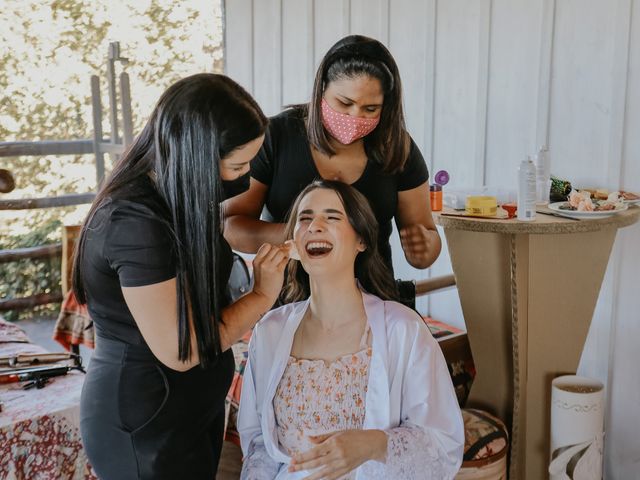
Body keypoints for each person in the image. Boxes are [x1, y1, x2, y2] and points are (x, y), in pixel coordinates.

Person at [72, 73, 290, 480]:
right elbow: (183, 349)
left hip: (189, 411)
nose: (243, 178)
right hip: (144, 422)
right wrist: (260, 296)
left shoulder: (178, 198)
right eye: (238, 165)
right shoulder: (134, 222)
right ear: (197, 155)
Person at [238, 180, 464, 479]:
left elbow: (443, 448)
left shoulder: (404, 330)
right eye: (304, 219)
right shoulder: (270, 331)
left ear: (362, 240)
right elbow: (259, 445)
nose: (314, 226)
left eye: (332, 217)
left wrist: (373, 445)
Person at [224, 35, 442, 306]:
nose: (354, 117)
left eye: (370, 108)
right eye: (344, 103)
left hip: (373, 303)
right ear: (322, 91)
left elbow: (423, 238)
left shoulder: (397, 146)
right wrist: (305, 234)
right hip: (287, 302)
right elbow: (230, 225)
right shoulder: (277, 137)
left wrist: (425, 249)